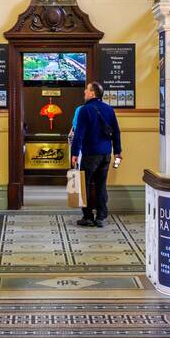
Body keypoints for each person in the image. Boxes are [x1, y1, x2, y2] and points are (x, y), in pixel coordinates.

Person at [69, 81, 121, 228]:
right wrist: (117, 151)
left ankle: (88, 217)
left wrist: (74, 153)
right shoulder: (109, 109)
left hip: (90, 153)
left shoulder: (85, 110)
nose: (84, 92)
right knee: (101, 185)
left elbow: (79, 134)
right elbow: (116, 131)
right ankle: (102, 217)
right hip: (105, 153)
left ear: (92, 93)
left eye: (86, 90)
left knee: (84, 185)